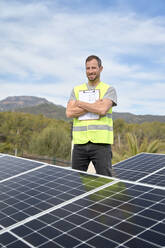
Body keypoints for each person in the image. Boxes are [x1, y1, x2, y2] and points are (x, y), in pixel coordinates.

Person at [66, 55, 117, 176]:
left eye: (93, 68)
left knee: (105, 182)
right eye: (87, 68)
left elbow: (102, 110)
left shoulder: (109, 90)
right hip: (80, 144)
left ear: (101, 68)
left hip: (101, 144)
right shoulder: (76, 90)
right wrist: (94, 105)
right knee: (76, 183)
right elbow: (69, 113)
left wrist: (79, 103)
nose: (90, 71)